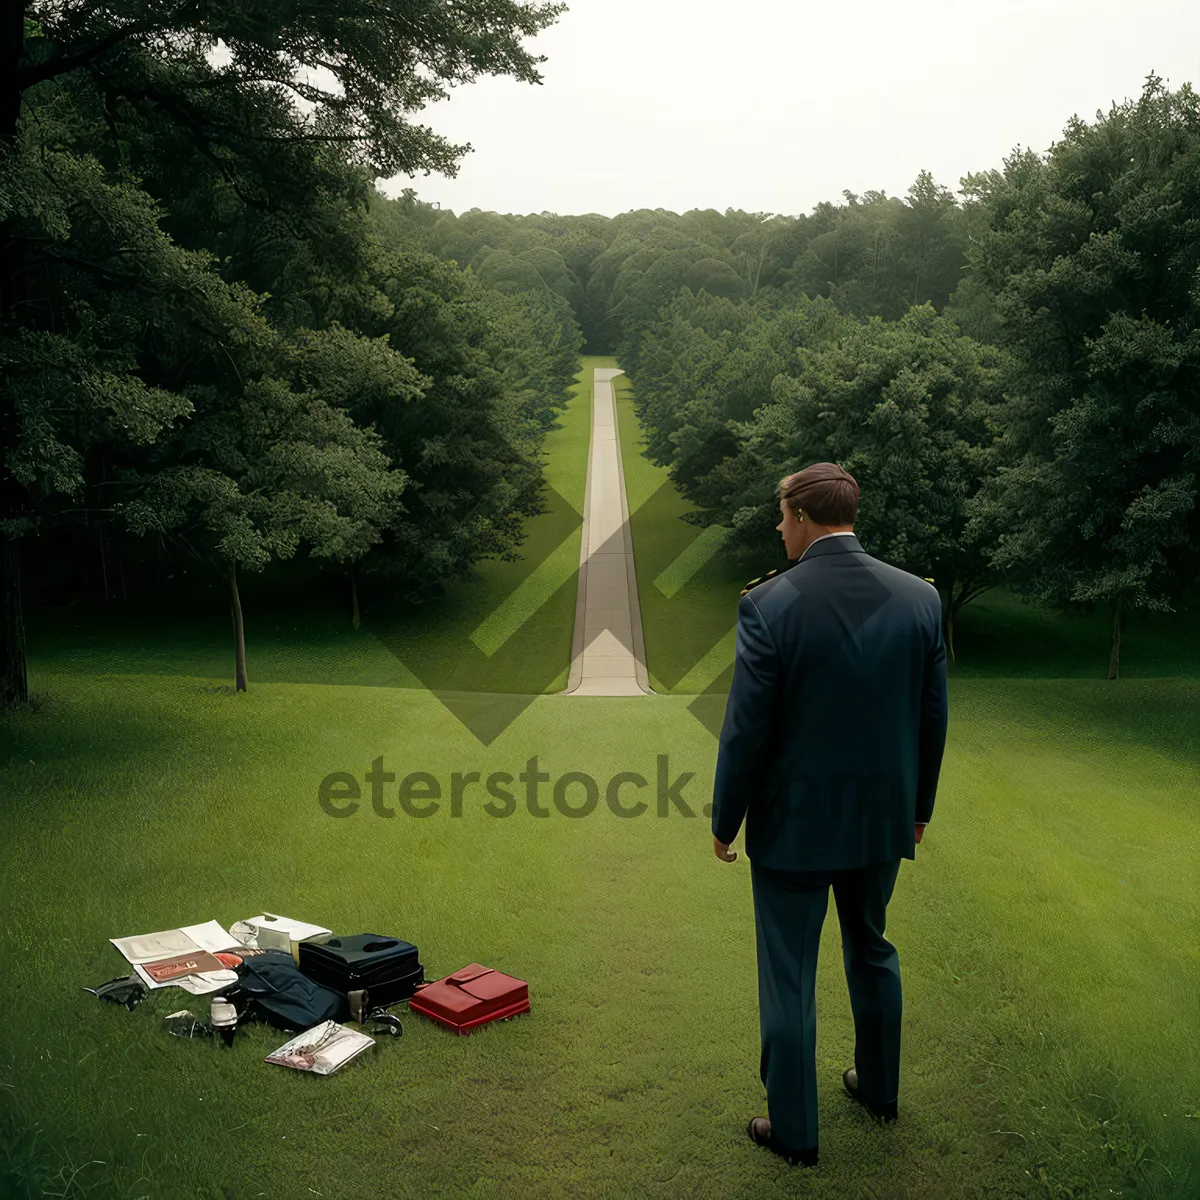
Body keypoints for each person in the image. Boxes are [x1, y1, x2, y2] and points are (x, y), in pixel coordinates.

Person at [710, 461, 949, 1169]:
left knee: (790, 974)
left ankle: (795, 1132)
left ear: (806, 517)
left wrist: (726, 818)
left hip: (796, 826)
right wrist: (919, 810)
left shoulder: (769, 604)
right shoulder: (919, 599)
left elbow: (746, 729)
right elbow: (932, 717)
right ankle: (878, 1091)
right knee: (872, 948)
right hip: (882, 818)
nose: (780, 529)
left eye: (783, 517)